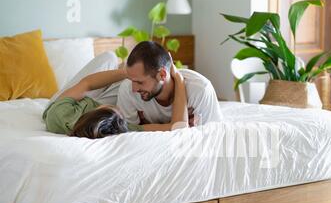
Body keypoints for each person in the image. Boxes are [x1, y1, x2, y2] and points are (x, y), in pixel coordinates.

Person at [43, 52, 188, 139]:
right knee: (127, 85)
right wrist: (179, 80)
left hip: (57, 104)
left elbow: (86, 84)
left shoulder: (59, 113)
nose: (119, 108)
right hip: (91, 111)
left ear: (98, 110)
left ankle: (126, 71)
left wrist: (126, 72)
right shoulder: (118, 127)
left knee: (109, 57)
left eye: (114, 108)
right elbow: (177, 129)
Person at [117, 41, 223, 127]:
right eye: (132, 80)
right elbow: (128, 133)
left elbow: (213, 135)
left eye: (140, 82)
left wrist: (146, 126)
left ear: (162, 75)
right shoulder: (127, 90)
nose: (134, 88)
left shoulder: (200, 90)